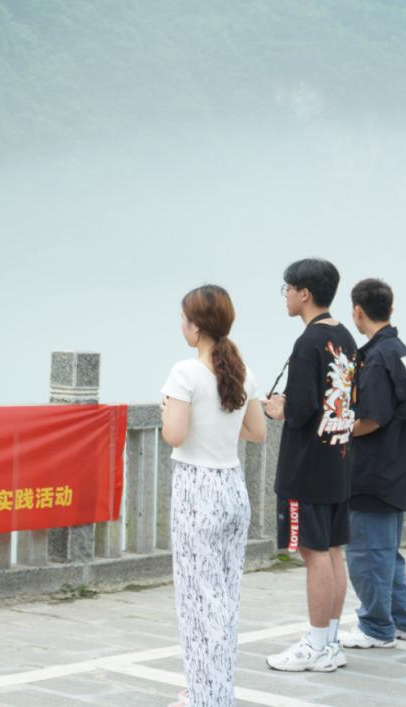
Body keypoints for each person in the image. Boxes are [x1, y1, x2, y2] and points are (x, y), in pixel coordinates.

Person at [161, 284, 267, 707]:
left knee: (197, 601)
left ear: (196, 326)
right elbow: (257, 432)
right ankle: (216, 691)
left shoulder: (185, 373)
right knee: (224, 598)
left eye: (184, 318)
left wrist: (167, 408)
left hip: (196, 489)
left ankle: (207, 697)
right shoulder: (241, 371)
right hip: (232, 488)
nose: (182, 325)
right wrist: (219, 427)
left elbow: (174, 434)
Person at [265, 258, 357, 673]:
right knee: (334, 551)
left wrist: (277, 408)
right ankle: (330, 641)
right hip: (338, 459)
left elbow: (300, 411)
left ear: (304, 293)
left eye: (287, 288)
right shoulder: (345, 337)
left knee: (314, 553)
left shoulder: (308, 343)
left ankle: (316, 644)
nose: (285, 295)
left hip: (306, 466)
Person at [339, 278, 406, 649]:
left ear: (357, 311)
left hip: (374, 472)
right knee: (386, 553)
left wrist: (337, 430)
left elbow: (371, 418)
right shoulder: (400, 351)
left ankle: (376, 627)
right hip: (399, 467)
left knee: (366, 555)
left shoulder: (378, 357)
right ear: (390, 309)